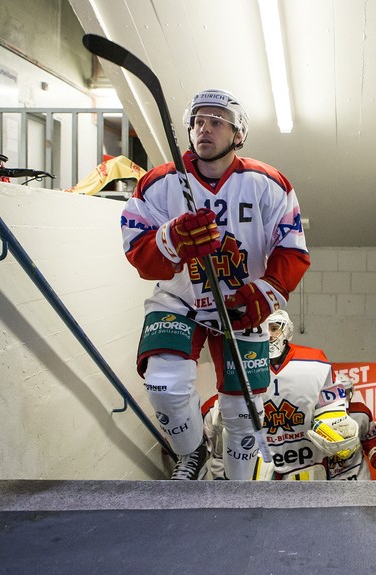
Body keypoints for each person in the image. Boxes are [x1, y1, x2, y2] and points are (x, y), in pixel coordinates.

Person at [121, 89, 310, 480]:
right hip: (180, 300)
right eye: (197, 121)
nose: (203, 128)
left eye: (215, 121)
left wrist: (266, 292)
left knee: (243, 412)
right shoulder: (158, 183)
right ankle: (193, 453)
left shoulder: (269, 183)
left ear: (237, 133)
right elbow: (138, 252)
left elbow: (292, 249)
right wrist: (170, 240)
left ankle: (238, 488)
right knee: (164, 386)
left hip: (241, 307)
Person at [255, 309, 359, 480]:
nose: (268, 335)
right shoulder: (246, 361)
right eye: (262, 329)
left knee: (306, 505)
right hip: (260, 460)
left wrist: (336, 426)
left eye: (273, 328)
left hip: (306, 461)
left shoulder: (315, 361)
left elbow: (330, 407)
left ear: (287, 331)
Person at [328, 375, 376, 480]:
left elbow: (368, 441)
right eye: (336, 393)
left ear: (350, 394)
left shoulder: (361, 413)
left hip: (357, 475)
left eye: (344, 393)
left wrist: (375, 453)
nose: (341, 398)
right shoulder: (313, 417)